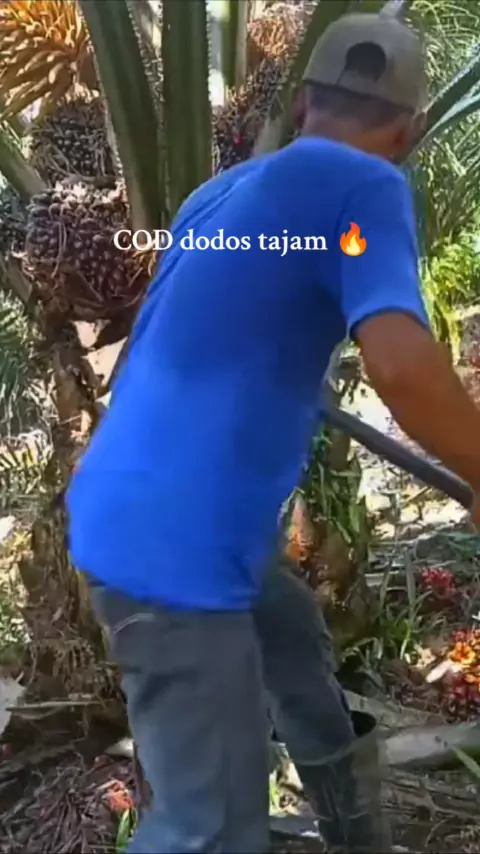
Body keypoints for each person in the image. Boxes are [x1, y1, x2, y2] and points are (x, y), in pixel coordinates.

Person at [67, 10, 480, 854]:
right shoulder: (366, 188)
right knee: (208, 827)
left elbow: (193, 332)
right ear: (407, 133)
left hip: (140, 504)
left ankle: (355, 836)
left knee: (291, 643)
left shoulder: (216, 198)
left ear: (300, 107)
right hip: (175, 548)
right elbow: (400, 364)